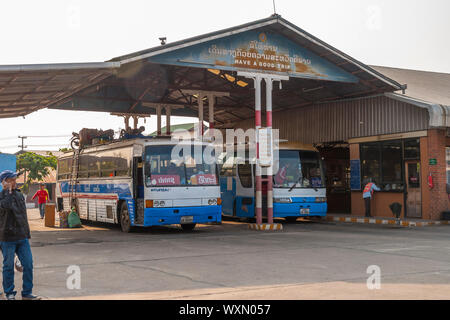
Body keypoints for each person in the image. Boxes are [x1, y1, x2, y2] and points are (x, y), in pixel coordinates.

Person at [0, 170, 41, 300]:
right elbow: (5, 206)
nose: (14, 182)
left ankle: (27, 293)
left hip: (21, 237)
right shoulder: (2, 196)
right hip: (7, 238)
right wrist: (8, 191)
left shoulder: (18, 195)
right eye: (11, 179)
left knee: (28, 264)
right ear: (4, 182)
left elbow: (23, 216)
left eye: (14, 179)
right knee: (8, 266)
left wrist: (27, 233)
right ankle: (9, 293)